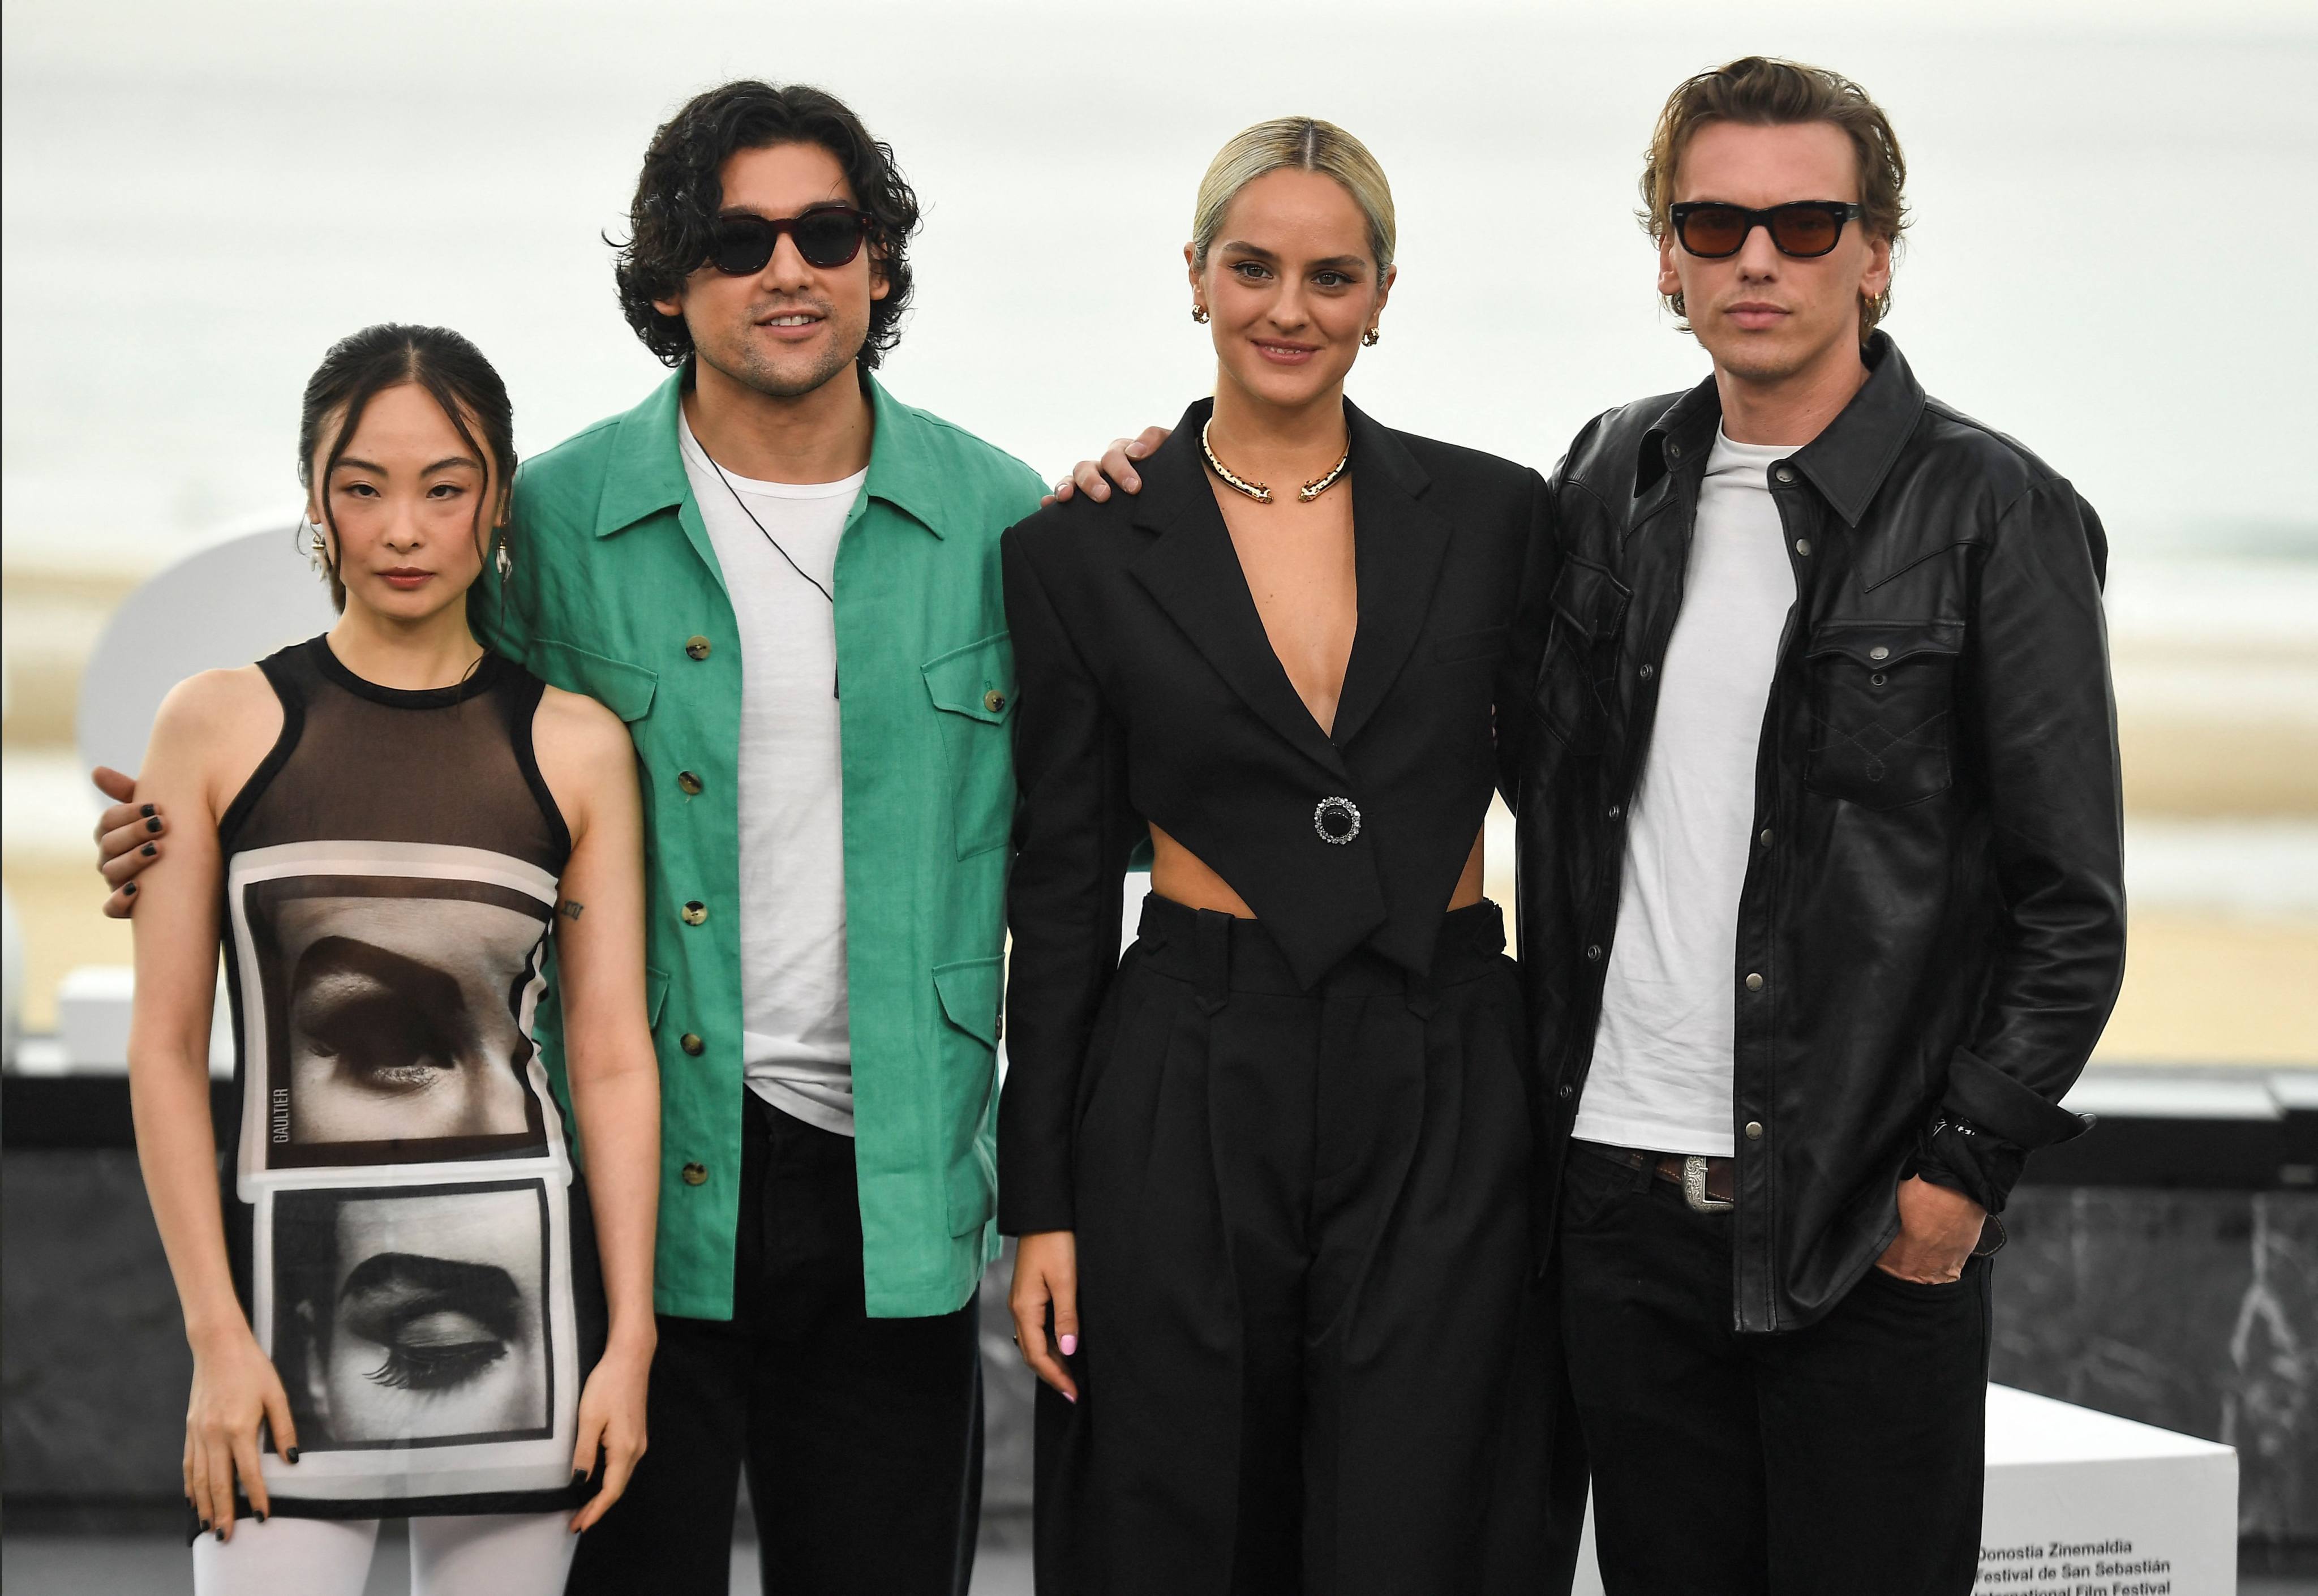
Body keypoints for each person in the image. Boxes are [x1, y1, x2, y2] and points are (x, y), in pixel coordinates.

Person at [101, 79, 1045, 1594]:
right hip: (633, 1187)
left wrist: (1187, 497)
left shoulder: (1009, 520)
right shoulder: (553, 513)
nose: (787, 269)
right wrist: (177, 843)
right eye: (738, 240)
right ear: (668, 281)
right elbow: (405, 719)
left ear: (879, 261)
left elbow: (1093, 833)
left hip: (898, 1183)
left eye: (825, 231)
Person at [1514, 57, 2124, 1595]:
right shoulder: (1610, 474)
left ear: (1877, 250)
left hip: (1862, 1217)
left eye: (1804, 221)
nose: (1759, 259)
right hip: (1619, 1198)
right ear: (1666, 254)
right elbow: (1515, 761)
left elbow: (2072, 907)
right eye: (1714, 223)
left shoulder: (1996, 512)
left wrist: (1956, 1178)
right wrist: (1177, 489)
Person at [1002, 117, 1569, 1594]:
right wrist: (1041, 1200)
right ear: (1193, 277)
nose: (1288, 309)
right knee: (1176, 1509)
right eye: (1253, 267)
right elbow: (1059, 886)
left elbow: (1581, 815)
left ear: (1384, 295)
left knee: (1425, 1510)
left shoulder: (1505, 520)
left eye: (1332, 275)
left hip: (1447, 1049)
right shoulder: (1077, 549)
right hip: (1191, 1052)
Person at [122, 324, 659, 1596]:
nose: (403, 528)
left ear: (496, 501)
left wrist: (625, 1339)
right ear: (316, 503)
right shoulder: (214, 726)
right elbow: (160, 1052)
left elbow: (611, 1057)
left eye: (444, 486)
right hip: (272, 1321)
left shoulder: (575, 747)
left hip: (529, 1316)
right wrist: (216, 1339)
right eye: (362, 488)